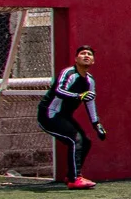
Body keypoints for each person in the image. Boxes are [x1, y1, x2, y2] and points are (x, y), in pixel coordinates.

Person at [38, 45, 106, 189]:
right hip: (49, 114)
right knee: (76, 140)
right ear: (76, 59)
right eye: (82, 53)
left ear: (93, 61)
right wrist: (78, 95)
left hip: (64, 116)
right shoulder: (68, 73)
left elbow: (90, 101)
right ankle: (75, 179)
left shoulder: (89, 80)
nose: (86, 56)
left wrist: (96, 124)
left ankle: (72, 175)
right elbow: (58, 90)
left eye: (89, 54)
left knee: (85, 141)